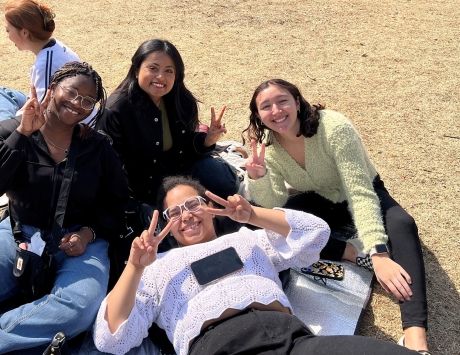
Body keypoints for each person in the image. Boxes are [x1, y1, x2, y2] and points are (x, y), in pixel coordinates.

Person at [91, 175, 418, 355]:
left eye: (193, 204)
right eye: (174, 212)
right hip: (217, 347)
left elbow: (315, 234)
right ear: (165, 224)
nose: (186, 215)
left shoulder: (246, 240)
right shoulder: (157, 266)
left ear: (209, 207)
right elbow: (112, 337)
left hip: (292, 341)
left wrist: (253, 216)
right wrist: (134, 267)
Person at [243, 78, 429, 354]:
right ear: (258, 115)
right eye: (266, 106)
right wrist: (257, 176)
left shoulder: (333, 127)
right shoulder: (268, 146)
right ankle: (352, 253)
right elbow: (273, 205)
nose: (276, 111)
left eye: (282, 101)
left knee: (402, 224)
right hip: (320, 198)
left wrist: (379, 252)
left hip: (361, 190)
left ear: (297, 101)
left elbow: (360, 191)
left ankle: (416, 338)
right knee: (274, 226)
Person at [0, 61, 129, 353]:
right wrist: (21, 134)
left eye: (87, 100)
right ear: (54, 87)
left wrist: (89, 233)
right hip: (18, 230)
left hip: (79, 241)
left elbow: (119, 202)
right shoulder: (11, 132)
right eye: (72, 93)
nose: (77, 104)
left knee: (79, 308)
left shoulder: (98, 147)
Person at [95, 39, 239, 209]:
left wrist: (207, 139)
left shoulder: (181, 99)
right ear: (136, 70)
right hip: (144, 187)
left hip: (181, 171)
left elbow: (186, 147)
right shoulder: (116, 109)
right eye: (153, 68)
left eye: (169, 71)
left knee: (225, 182)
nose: (161, 77)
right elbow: (111, 168)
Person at [1, 0, 79, 120]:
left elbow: (40, 113)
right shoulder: (54, 46)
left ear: (24, 32)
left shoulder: (44, 65)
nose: (8, 36)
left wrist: (13, 120)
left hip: (61, 124)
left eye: (8, 30)